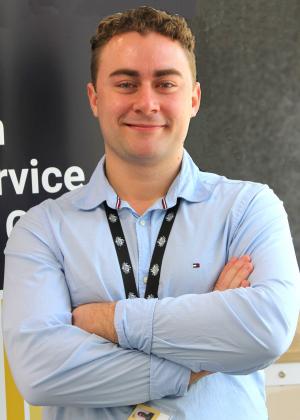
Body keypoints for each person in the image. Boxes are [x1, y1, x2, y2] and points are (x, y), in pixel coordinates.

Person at [2, 6, 300, 420]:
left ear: (193, 98)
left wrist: (109, 321)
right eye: (126, 83)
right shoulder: (41, 230)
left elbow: (266, 332)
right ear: (95, 98)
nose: (147, 102)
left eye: (165, 83)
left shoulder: (249, 208)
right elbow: (41, 373)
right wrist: (205, 351)